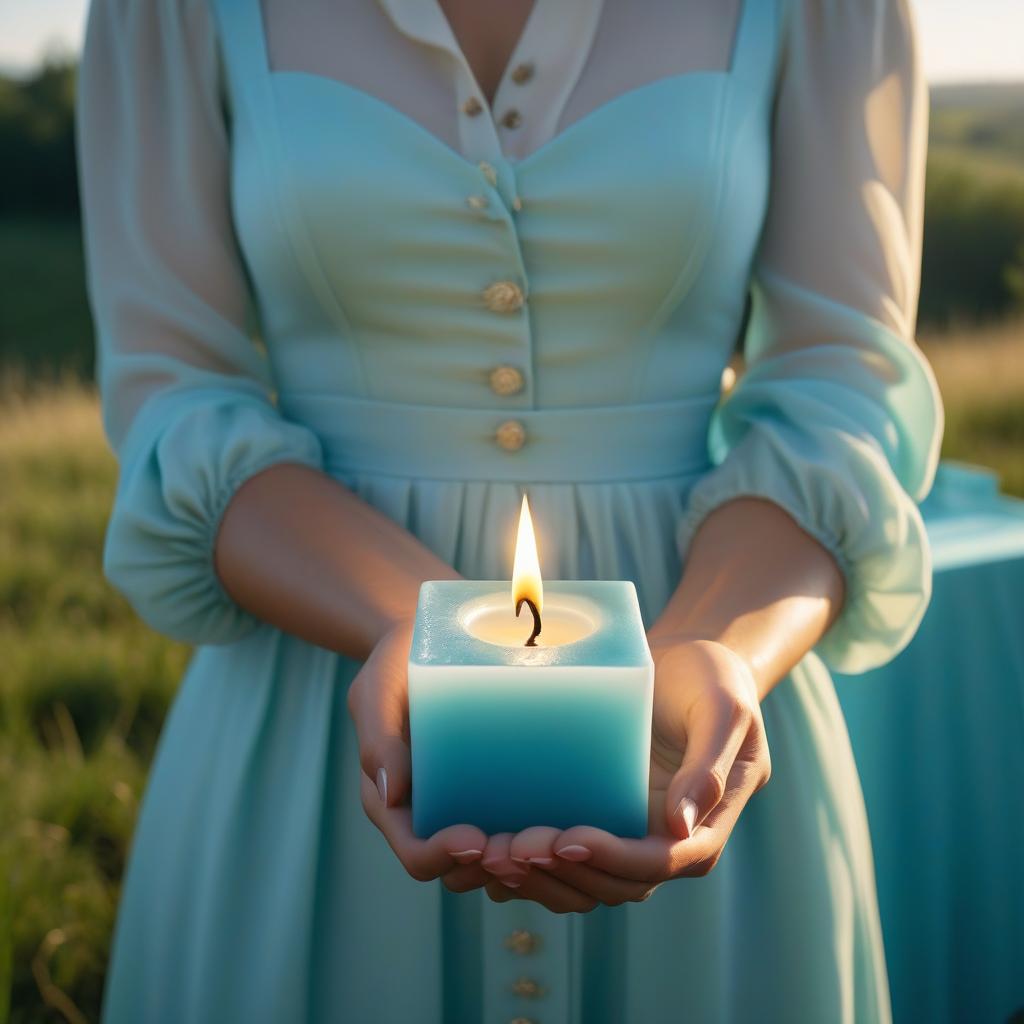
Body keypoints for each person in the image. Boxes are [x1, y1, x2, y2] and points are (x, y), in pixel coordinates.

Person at [75, 0, 943, 1020]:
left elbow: (837, 391)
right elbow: (176, 400)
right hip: (315, 716)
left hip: (689, 731)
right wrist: (428, 634)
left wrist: (715, 648)